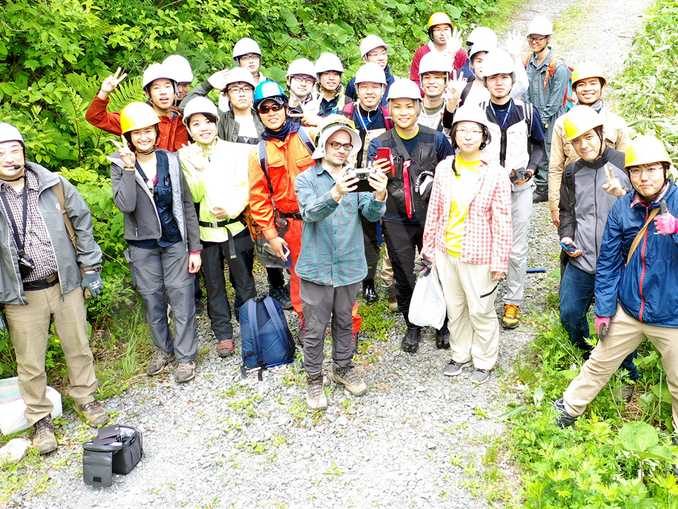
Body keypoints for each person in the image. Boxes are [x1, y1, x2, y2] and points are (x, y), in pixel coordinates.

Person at [554, 135, 678, 431]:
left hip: (672, 315)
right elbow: (608, 263)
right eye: (636, 170)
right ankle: (568, 408)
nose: (643, 177)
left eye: (651, 169)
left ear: (665, 170)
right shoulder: (623, 208)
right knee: (599, 363)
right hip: (630, 307)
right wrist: (604, 309)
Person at [0, 123, 108, 455]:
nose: (9, 158)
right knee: (30, 361)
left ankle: (86, 398)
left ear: (24, 151)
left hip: (65, 283)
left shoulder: (53, 184)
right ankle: (39, 419)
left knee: (78, 344)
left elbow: (82, 220)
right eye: (1, 152)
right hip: (20, 294)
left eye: (14, 149)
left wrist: (90, 266)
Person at [295, 117, 387, 409]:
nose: (341, 150)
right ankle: (313, 379)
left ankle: (343, 369)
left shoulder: (356, 177)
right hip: (316, 267)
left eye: (347, 145)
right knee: (314, 327)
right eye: (335, 144)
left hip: (349, 263)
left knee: (345, 322)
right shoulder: (306, 179)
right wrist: (336, 192)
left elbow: (370, 214)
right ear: (323, 145)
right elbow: (309, 212)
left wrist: (379, 194)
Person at [183, 67, 291, 308]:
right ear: (227, 94)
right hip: (233, 190)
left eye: (245, 89)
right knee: (245, 248)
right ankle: (242, 297)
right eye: (235, 89)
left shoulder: (263, 113)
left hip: (266, 183)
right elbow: (189, 110)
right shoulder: (221, 120)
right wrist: (207, 85)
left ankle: (277, 286)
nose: (241, 94)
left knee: (271, 234)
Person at [109, 102, 202, 384]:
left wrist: (194, 247)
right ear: (128, 137)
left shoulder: (171, 161)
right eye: (137, 133)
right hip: (142, 246)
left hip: (174, 241)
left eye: (148, 131)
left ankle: (186, 357)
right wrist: (127, 169)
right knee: (152, 299)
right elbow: (126, 205)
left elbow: (186, 204)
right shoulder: (118, 163)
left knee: (181, 297)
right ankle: (164, 350)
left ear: (156, 131)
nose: (144, 137)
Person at [419, 106, 512, 383]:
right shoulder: (445, 168)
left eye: (474, 131)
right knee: (455, 307)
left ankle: (484, 359)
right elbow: (435, 211)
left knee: (481, 309)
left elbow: (503, 220)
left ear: (484, 136)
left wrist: (500, 262)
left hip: (479, 254)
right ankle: (460, 354)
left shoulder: (495, 173)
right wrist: (429, 249)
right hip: (448, 252)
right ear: (454, 134)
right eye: (462, 130)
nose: (468, 136)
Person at [369, 79, 454, 353]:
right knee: (404, 274)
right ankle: (412, 324)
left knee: (438, 270)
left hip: (431, 216)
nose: (404, 112)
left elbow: (451, 175)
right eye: (397, 107)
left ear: (418, 108)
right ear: (389, 110)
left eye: (409, 106)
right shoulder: (378, 144)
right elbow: (371, 183)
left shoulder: (436, 139)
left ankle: (443, 324)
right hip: (395, 218)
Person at [558, 106, 638, 379]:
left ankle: (627, 370)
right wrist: (566, 237)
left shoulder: (626, 162)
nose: (583, 145)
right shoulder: (571, 172)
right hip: (582, 259)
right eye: (577, 140)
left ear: (601, 134)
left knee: (622, 323)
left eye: (588, 137)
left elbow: (651, 205)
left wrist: (624, 194)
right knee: (569, 312)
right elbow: (567, 211)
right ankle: (587, 356)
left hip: (619, 261)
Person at [179, 96, 257, 357]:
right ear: (188, 129)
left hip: (235, 226)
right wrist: (201, 170)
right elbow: (195, 196)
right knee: (213, 284)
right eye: (196, 123)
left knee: (244, 280)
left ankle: (249, 324)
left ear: (217, 122)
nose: (204, 128)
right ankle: (223, 333)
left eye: (208, 121)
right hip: (205, 231)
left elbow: (248, 186)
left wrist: (233, 208)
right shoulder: (183, 156)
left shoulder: (237, 150)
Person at [480, 49, 546, 330]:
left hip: (520, 189)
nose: (499, 82)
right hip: (487, 189)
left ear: (512, 79)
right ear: (485, 82)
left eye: (504, 77)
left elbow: (540, 146)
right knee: (485, 245)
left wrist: (530, 170)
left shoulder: (527, 111)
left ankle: (513, 301)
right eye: (493, 77)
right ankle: (484, 299)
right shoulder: (478, 113)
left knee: (517, 249)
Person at [248, 80, 316, 320]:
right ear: (258, 114)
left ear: (285, 107)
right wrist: (271, 236)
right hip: (292, 224)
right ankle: (305, 320)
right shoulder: (259, 153)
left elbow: (343, 138)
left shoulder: (310, 135)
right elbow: (259, 199)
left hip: (322, 215)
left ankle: (347, 323)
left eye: (275, 106)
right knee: (298, 274)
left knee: (335, 268)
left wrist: (319, 121)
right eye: (264, 109)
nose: (271, 113)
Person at [548, 63, 632, 226]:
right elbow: (556, 166)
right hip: (575, 194)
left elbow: (626, 167)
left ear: (602, 87)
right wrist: (554, 204)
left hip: (609, 195)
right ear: (574, 89)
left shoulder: (616, 123)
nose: (587, 89)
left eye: (593, 83)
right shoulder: (562, 123)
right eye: (581, 85)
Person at [342, 62, 394, 304]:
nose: (370, 92)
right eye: (365, 87)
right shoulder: (346, 114)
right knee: (352, 232)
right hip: (350, 180)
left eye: (375, 87)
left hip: (379, 180)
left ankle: (370, 280)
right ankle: (351, 276)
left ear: (383, 90)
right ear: (357, 89)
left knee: (374, 234)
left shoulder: (388, 116)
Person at [85, 63, 189, 151]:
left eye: (167, 86)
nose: (163, 92)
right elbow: (95, 117)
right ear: (148, 94)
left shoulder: (185, 121)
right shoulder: (136, 117)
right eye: (156, 88)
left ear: (175, 91)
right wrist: (104, 92)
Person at [525, 15, 570, 203]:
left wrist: (541, 118)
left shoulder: (557, 67)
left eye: (539, 38)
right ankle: (541, 182)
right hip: (533, 113)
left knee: (549, 149)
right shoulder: (529, 61)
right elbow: (524, 87)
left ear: (548, 39)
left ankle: (547, 187)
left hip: (550, 117)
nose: (535, 42)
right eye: (532, 38)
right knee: (534, 147)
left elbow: (556, 99)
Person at [410, 12, 468, 88]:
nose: (442, 33)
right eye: (437, 30)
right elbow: (415, 80)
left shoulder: (459, 53)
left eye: (446, 29)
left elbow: (466, 77)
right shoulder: (422, 52)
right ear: (431, 33)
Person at [345, 35, 397, 105]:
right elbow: (347, 111)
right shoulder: (354, 84)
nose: (381, 58)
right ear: (365, 58)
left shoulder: (395, 83)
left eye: (383, 53)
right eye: (375, 54)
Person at [308, 53, 346, 118]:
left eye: (336, 74)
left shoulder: (347, 102)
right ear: (318, 77)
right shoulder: (308, 99)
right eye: (326, 74)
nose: (331, 78)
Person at [286, 58, 317, 122]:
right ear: (288, 80)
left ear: (313, 85)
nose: (303, 84)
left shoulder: (319, 110)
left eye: (309, 80)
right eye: (298, 79)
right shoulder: (278, 107)